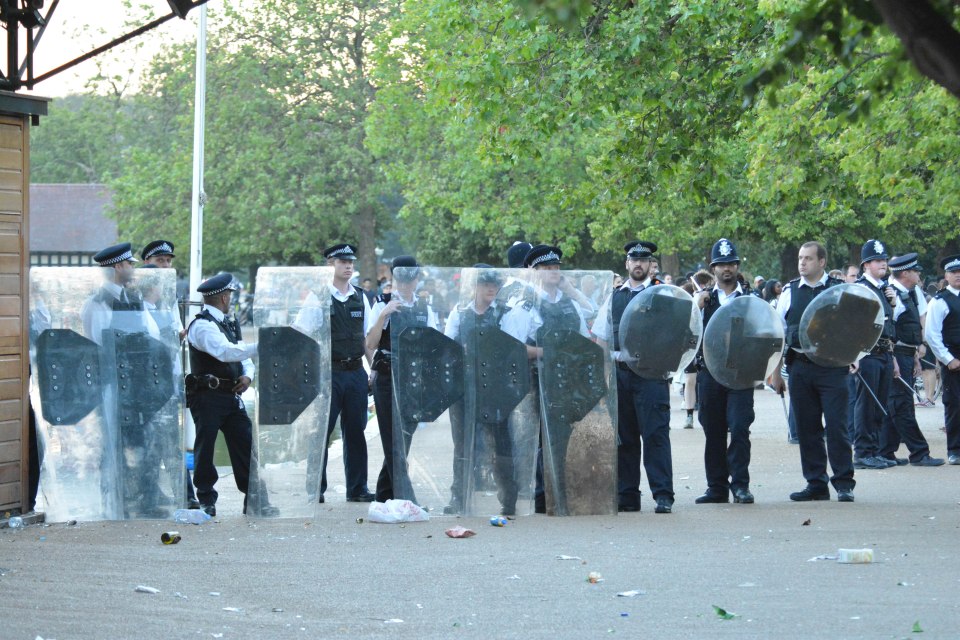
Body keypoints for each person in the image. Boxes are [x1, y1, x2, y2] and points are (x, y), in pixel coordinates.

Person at [500, 244, 590, 515]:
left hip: (568, 381)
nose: (553, 272)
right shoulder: (525, 304)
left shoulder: (569, 302)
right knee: (537, 440)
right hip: (536, 381)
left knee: (564, 439)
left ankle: (561, 492)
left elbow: (588, 329)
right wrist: (549, 353)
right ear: (534, 272)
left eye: (556, 267)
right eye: (546, 268)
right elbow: (512, 347)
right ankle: (540, 495)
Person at [186, 273, 278, 517]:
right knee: (205, 449)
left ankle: (256, 499)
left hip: (231, 394)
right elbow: (226, 352)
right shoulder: (202, 325)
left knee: (246, 445)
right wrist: (264, 346)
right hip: (207, 395)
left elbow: (241, 355)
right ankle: (206, 499)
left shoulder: (229, 322)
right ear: (225, 297)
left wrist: (248, 375)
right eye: (230, 297)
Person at [591, 241, 674, 514]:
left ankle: (663, 495)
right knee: (624, 438)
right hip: (621, 375)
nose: (638, 264)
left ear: (651, 264)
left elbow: (677, 335)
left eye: (644, 259)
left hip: (651, 376)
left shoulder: (663, 295)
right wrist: (605, 375)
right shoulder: (613, 297)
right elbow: (601, 337)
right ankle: (627, 495)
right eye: (633, 259)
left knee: (655, 436)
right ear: (626, 264)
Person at [769, 242, 855, 502]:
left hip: (833, 369)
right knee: (807, 429)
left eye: (808, 258)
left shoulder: (838, 291)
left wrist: (854, 357)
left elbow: (853, 328)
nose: (802, 263)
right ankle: (816, 483)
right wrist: (774, 372)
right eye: (799, 258)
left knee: (837, 427)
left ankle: (844, 484)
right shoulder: (789, 292)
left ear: (822, 262)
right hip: (800, 368)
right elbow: (777, 332)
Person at [294, 243, 375, 504]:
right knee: (321, 433)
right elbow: (303, 335)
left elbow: (367, 338)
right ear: (330, 264)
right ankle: (315, 489)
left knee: (356, 432)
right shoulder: (317, 296)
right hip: (328, 374)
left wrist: (372, 369)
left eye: (351, 261)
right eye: (342, 262)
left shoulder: (360, 296)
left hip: (355, 373)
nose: (348, 266)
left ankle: (357, 488)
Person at [443, 265, 517, 516]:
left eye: (494, 284)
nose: (491, 288)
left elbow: (512, 349)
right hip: (464, 388)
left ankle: (510, 499)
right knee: (463, 446)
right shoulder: (459, 313)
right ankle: (459, 498)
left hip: (496, 389)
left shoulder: (506, 314)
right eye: (486, 283)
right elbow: (447, 345)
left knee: (501, 444)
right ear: (474, 286)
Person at [366, 256, 438, 503]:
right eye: (401, 280)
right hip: (387, 376)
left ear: (417, 279)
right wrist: (383, 316)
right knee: (391, 438)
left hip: (413, 380)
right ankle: (406, 496)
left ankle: (384, 494)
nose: (406, 285)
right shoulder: (381, 303)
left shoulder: (425, 308)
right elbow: (370, 343)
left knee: (403, 439)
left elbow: (435, 346)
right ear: (394, 279)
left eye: (411, 280)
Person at [694, 239, 756, 505]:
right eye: (720, 265)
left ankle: (740, 485)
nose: (726, 269)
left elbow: (765, 334)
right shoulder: (704, 300)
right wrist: (695, 306)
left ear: (737, 265)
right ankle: (716, 487)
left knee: (740, 428)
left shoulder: (751, 298)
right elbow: (687, 333)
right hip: (709, 373)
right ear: (713, 268)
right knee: (713, 431)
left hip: (740, 375)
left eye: (730, 263)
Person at [879, 253, 944, 466]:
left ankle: (885, 451)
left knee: (895, 405)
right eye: (915, 271)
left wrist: (915, 354)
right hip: (896, 354)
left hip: (907, 354)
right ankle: (919, 452)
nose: (918, 274)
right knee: (902, 405)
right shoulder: (892, 296)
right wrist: (894, 359)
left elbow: (910, 330)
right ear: (905, 273)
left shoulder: (909, 293)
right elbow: (888, 332)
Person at [853, 239, 903, 470]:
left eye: (884, 260)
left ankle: (875, 450)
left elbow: (888, 326)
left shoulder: (885, 288)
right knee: (867, 404)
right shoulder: (861, 288)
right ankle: (863, 452)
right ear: (866, 265)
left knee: (879, 403)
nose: (882, 264)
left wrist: (892, 304)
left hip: (884, 353)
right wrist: (852, 356)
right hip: (867, 353)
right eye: (877, 261)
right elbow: (851, 323)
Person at [923, 254, 960, 465]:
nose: (958, 276)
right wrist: (947, 359)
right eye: (954, 272)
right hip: (953, 359)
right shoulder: (939, 301)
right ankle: (955, 450)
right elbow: (931, 334)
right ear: (946, 275)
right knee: (955, 404)